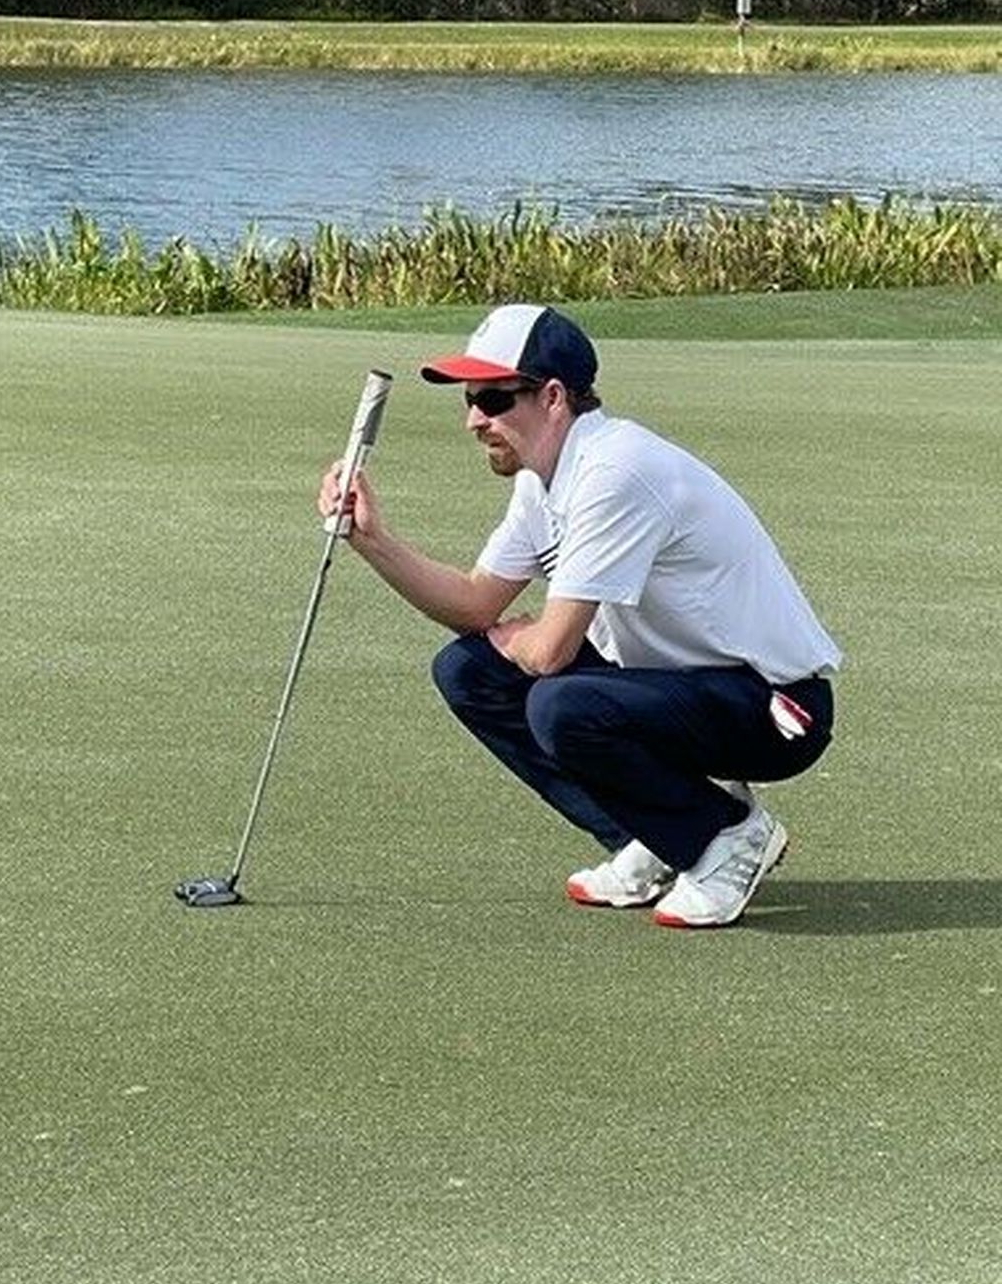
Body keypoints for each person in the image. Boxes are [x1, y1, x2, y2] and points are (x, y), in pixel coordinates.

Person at [317, 303, 841, 928]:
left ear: (554, 396)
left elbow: (548, 653)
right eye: (469, 400)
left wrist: (525, 640)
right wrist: (372, 540)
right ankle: (651, 837)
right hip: (675, 691)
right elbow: (477, 605)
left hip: (776, 708)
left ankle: (725, 837)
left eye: (492, 399)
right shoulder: (542, 480)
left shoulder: (615, 469)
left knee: (558, 704)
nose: (473, 421)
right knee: (468, 670)